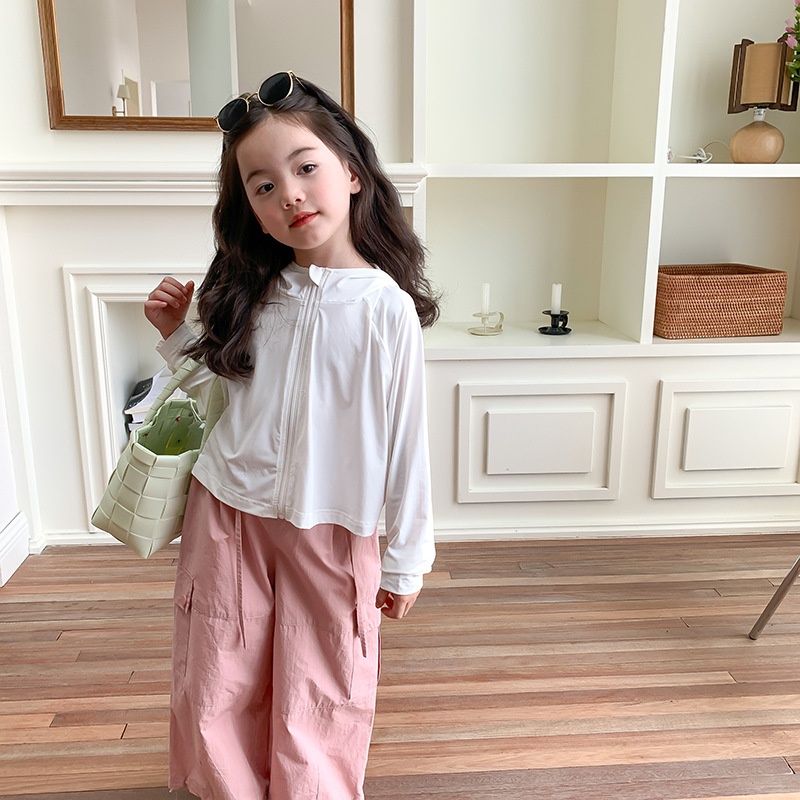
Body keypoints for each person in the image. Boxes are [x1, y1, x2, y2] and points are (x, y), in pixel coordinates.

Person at [144, 71, 438, 800]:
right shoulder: (253, 295)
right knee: (218, 674)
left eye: (305, 167)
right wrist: (177, 335)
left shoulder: (385, 309)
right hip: (227, 516)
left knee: (323, 685)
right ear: (250, 209)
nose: (290, 195)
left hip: (332, 526)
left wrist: (406, 559)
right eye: (264, 186)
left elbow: (407, 441)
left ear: (352, 172)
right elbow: (222, 397)